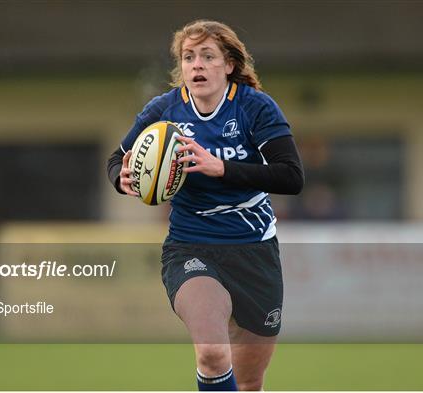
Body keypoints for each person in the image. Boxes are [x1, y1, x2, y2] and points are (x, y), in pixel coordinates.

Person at [108, 20, 304, 391]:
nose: (196, 65)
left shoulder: (255, 108)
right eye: (188, 57)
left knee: (249, 382)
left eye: (207, 56)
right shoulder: (164, 111)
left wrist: (222, 168)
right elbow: (116, 160)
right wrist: (121, 176)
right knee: (213, 355)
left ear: (229, 64)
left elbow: (291, 177)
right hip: (191, 246)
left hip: (254, 250)